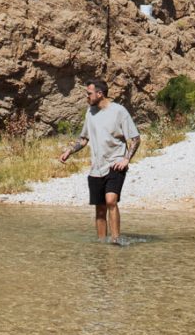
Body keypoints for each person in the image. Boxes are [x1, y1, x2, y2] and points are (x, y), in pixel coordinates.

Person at [59, 78, 140, 244]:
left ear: (99, 93)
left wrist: (126, 159)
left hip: (115, 164)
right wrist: (69, 151)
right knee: (100, 209)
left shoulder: (119, 111)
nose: (86, 97)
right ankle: (102, 245)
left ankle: (116, 240)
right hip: (96, 167)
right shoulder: (90, 113)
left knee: (111, 201)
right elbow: (83, 139)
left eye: (89, 94)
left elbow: (135, 139)